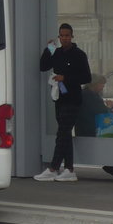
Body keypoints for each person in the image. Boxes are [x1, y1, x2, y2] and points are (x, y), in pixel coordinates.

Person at [35, 23, 92, 181]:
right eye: (62, 35)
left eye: (67, 35)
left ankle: (53, 168)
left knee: (62, 133)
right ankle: (69, 169)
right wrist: (49, 49)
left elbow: (87, 78)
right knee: (65, 133)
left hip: (73, 98)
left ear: (72, 36)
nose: (65, 38)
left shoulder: (79, 55)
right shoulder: (57, 53)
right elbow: (43, 66)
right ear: (59, 37)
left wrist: (65, 78)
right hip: (59, 97)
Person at [76, 74, 113, 180]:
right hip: (92, 130)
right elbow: (101, 113)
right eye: (102, 85)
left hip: (83, 128)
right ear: (94, 84)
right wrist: (109, 107)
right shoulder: (91, 96)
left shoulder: (84, 94)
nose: (102, 87)